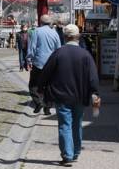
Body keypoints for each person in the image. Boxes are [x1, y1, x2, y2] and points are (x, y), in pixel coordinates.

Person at [39, 24, 100, 166]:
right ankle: (76, 152)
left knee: (65, 125)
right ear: (78, 36)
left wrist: (41, 87)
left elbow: (46, 73)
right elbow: (93, 77)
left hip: (62, 96)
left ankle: (67, 155)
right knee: (77, 124)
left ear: (65, 37)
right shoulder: (85, 55)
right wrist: (95, 92)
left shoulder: (58, 53)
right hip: (80, 95)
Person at [26, 14, 62, 115]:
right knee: (49, 85)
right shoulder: (54, 33)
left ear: (40, 22)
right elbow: (58, 49)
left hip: (39, 62)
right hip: (51, 63)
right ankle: (48, 107)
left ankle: (38, 102)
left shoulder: (36, 31)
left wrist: (29, 60)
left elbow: (32, 48)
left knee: (33, 85)